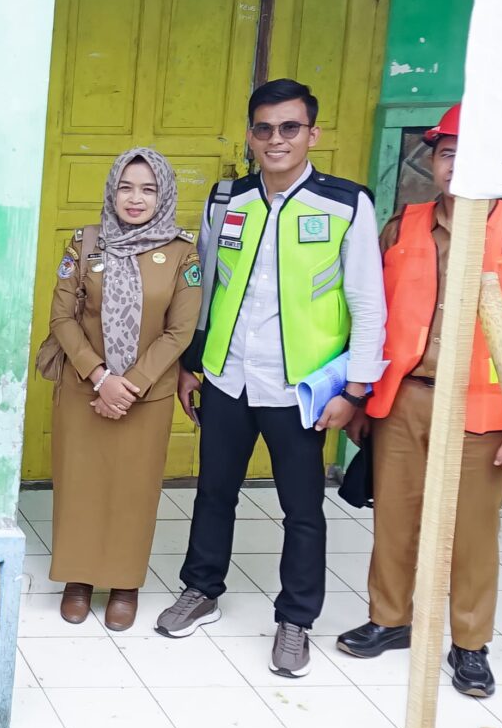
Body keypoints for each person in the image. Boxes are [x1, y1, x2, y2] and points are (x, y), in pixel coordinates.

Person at [159, 79, 387, 679]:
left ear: (312, 133)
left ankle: (296, 620)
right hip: (228, 377)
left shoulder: (345, 205)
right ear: (250, 135)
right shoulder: (226, 199)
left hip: (301, 389)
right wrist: (191, 365)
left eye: (290, 127)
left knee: (302, 509)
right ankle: (201, 589)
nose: (276, 139)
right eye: (264, 128)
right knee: (213, 492)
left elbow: (368, 303)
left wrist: (355, 390)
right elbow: (205, 288)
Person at [337, 104, 502, 697]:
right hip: (403, 400)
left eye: (470, 153)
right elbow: (373, 318)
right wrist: (364, 400)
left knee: (472, 533)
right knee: (395, 520)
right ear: (434, 161)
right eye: (447, 153)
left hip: (480, 411)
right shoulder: (401, 227)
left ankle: (469, 644)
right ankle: (390, 619)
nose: (457, 165)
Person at [47, 149, 202, 631]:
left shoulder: (182, 252)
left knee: (133, 490)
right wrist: (100, 377)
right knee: (79, 484)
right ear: (112, 190)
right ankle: (77, 578)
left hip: (145, 396)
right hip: (84, 388)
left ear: (164, 195)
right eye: (126, 187)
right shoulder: (86, 242)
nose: (135, 198)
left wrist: (129, 385)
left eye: (148, 189)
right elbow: (62, 318)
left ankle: (124, 584)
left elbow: (179, 331)